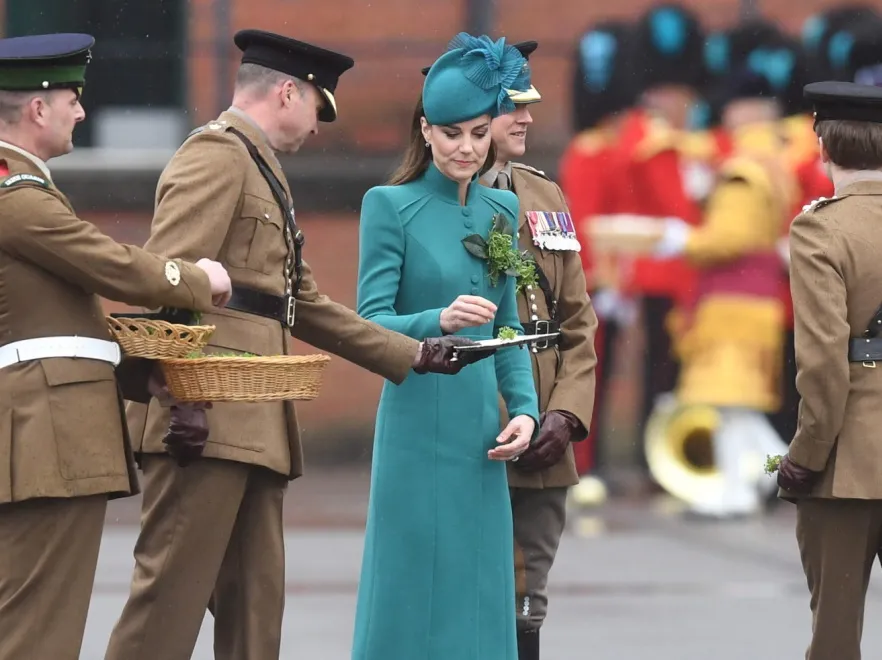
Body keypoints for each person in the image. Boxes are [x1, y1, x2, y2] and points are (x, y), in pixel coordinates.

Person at [105, 29, 481, 660]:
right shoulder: (216, 157)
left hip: (253, 425)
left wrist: (410, 352)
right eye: (316, 106)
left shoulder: (260, 169)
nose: (316, 128)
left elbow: (301, 304)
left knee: (256, 613)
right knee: (165, 606)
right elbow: (165, 275)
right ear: (287, 92)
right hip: (202, 419)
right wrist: (179, 390)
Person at [0, 33, 233, 660]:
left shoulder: (22, 191)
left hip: (37, 430)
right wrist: (195, 277)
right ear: (38, 108)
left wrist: (135, 369)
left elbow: (47, 316)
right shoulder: (16, 198)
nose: (81, 111)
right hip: (43, 434)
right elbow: (109, 265)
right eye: (72, 99)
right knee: (37, 628)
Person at [351, 33, 540, 660]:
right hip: (415, 423)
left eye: (480, 134)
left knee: (480, 583)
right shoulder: (389, 206)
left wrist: (524, 410)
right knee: (410, 580)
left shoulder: (503, 210)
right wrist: (438, 318)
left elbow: (509, 326)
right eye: (453, 133)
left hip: (479, 427)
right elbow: (369, 322)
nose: (467, 148)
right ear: (426, 131)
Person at [471, 40, 598, 659]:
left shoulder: (546, 195)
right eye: (510, 106)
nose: (526, 118)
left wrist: (567, 414)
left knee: (528, 599)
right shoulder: (424, 200)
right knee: (464, 593)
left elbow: (577, 321)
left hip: (545, 428)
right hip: (473, 429)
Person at [651, 59, 796, 517]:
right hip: (754, 299)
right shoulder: (774, 160)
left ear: (744, 111)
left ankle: (744, 486)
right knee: (737, 406)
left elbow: (731, 237)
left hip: (732, 301)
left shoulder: (744, 167)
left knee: (725, 399)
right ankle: (776, 468)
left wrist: (683, 239)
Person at [777, 80, 882, 660]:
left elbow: (822, 366)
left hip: (849, 463)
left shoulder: (822, 227)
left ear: (823, 145)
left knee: (837, 639)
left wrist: (806, 457)